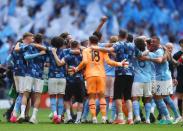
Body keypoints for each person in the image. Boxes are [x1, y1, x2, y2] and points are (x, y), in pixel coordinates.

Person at [71, 35, 128, 124]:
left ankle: (94, 118)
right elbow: (109, 62)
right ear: (98, 41)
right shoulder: (102, 49)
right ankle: (104, 117)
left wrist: (77, 68)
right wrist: (120, 64)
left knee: (92, 97)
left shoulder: (86, 50)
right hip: (101, 75)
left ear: (89, 41)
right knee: (102, 97)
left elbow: (85, 62)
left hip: (90, 75)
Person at [52, 40, 85, 124]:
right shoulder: (82, 56)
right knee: (80, 101)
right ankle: (78, 119)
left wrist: (54, 54)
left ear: (70, 46)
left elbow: (59, 63)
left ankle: (69, 117)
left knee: (67, 99)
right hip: (79, 80)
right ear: (78, 46)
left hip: (69, 81)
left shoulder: (67, 56)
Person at [18, 33, 46, 124]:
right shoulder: (44, 48)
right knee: (38, 96)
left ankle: (22, 114)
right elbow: (47, 62)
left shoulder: (29, 47)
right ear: (42, 40)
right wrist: (39, 54)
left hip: (29, 73)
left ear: (34, 39)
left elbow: (26, 57)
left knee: (25, 94)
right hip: (39, 75)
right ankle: (33, 117)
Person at [173, 39, 183, 119]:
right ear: (180, 44)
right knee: (180, 96)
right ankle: (181, 115)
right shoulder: (177, 55)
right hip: (181, 77)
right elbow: (173, 65)